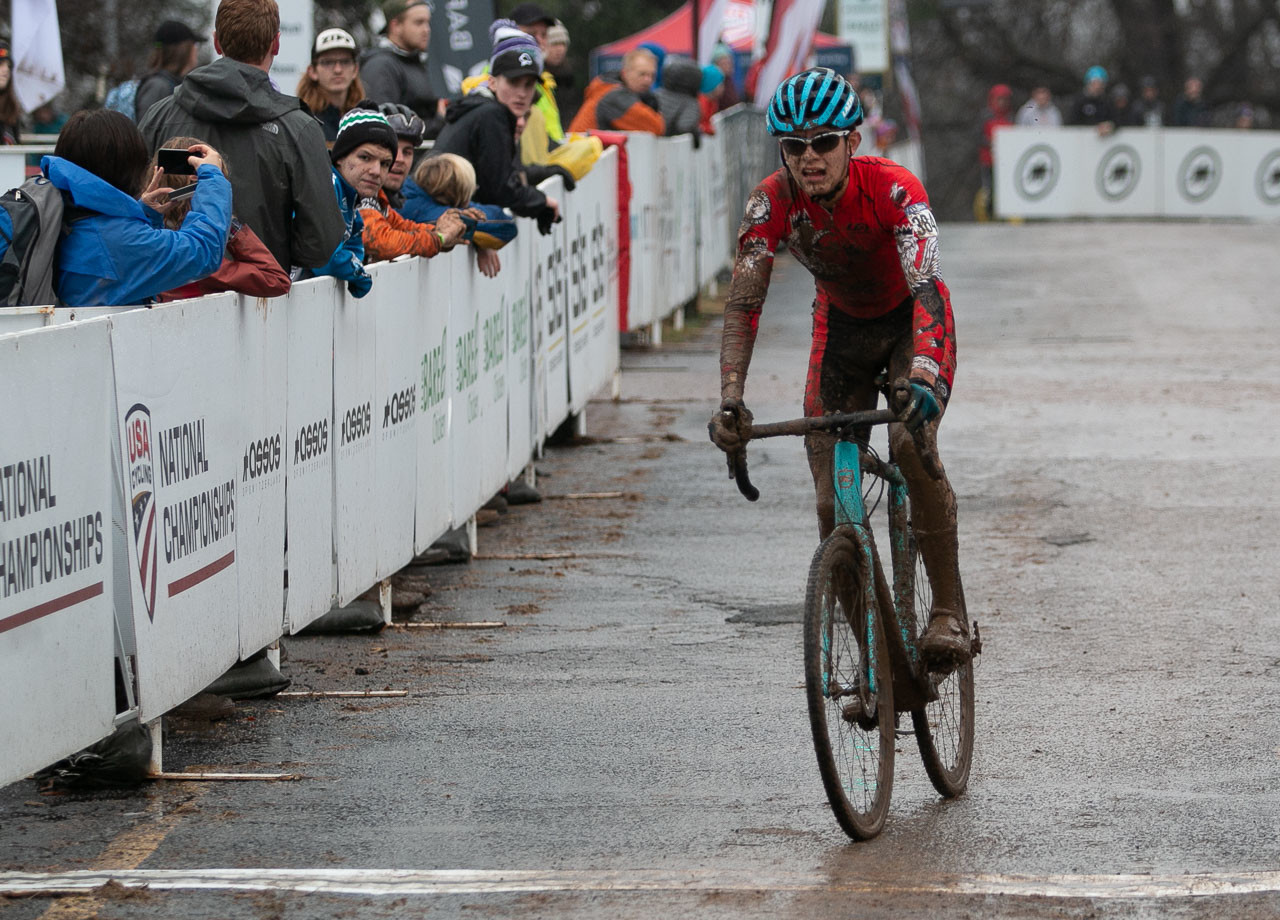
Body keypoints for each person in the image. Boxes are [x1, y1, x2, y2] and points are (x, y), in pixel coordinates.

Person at [707, 69, 969, 669]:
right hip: (842, 332)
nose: (808, 158)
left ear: (853, 141)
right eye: (794, 146)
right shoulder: (769, 201)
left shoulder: (897, 189)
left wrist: (926, 373)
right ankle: (875, 665)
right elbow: (745, 303)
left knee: (908, 443)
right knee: (830, 504)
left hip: (910, 324)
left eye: (824, 142)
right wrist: (730, 397)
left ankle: (948, 610)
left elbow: (927, 287)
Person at [139, 0, 346, 275]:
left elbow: (129, 210)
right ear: (276, 44)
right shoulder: (298, 128)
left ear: (216, 42)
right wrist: (274, 255)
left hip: (170, 294)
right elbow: (321, 242)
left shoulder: (159, 116)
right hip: (262, 297)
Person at [42, 110, 231, 306]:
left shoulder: (63, 210)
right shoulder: (117, 239)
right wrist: (212, 176)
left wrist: (144, 215)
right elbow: (203, 251)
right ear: (127, 165)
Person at [432, 30, 561, 234]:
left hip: (441, 211)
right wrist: (541, 201)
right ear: (492, 82)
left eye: (528, 85)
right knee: (504, 227)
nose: (521, 93)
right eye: (513, 82)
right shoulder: (491, 114)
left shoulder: (487, 110)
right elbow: (500, 190)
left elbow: (492, 185)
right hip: (434, 212)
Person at [150, 134, 291, 302]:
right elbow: (275, 279)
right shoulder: (196, 257)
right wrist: (227, 222)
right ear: (196, 178)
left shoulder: (144, 234)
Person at [355, 102, 470, 266]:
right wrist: (439, 238)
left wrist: (439, 230)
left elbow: (403, 228)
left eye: (407, 152)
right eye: (392, 150)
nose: (399, 159)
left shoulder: (380, 199)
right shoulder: (359, 192)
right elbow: (381, 241)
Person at [300, 109, 398, 296]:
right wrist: (359, 275)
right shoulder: (327, 184)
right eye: (365, 158)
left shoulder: (350, 197)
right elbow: (324, 258)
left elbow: (354, 246)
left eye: (385, 163)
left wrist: (353, 267)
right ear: (340, 158)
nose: (376, 171)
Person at [359, 0, 445, 138]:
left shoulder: (415, 61)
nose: (426, 30)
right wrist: (440, 120)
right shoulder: (381, 66)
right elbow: (383, 126)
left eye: (428, 22)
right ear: (395, 26)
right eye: (419, 22)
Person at [568, 48, 665, 134]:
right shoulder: (615, 96)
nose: (648, 80)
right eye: (642, 74)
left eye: (652, 75)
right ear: (625, 73)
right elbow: (656, 127)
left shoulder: (606, 89)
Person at [296, 29, 366, 142]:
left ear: (355, 70)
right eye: (328, 62)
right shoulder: (302, 122)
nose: (338, 70)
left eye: (345, 62)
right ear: (312, 71)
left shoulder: (365, 119)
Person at [134, 21, 206, 123]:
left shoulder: (169, 83)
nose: (196, 50)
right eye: (195, 44)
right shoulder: (158, 86)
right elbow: (147, 130)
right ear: (184, 49)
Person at [977, 84, 1013, 221]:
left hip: (1006, 160)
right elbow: (978, 136)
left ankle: (1005, 216)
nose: (1002, 103)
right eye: (999, 99)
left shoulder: (1010, 117)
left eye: (1005, 99)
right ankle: (988, 215)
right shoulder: (986, 116)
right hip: (988, 160)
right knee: (989, 189)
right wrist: (990, 142)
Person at [655, 55, 704, 143]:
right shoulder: (690, 103)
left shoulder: (656, 94)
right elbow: (685, 126)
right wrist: (696, 133)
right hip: (671, 149)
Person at [544, 21, 579, 127]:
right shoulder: (536, 77)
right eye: (554, 44)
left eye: (563, 44)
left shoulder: (570, 74)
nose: (560, 49)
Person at [1070, 66, 1115, 135]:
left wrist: (1110, 125)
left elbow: (1116, 119)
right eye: (1094, 83)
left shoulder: (1108, 102)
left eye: (1100, 84)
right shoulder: (1079, 101)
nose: (1097, 87)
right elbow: (1071, 122)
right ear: (1088, 84)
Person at [0, 42, 21, 144]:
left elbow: (15, 145)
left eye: (8, 66)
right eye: (1, 64)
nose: (6, 70)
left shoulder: (11, 106)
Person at [711, 43, 740, 111]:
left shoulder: (728, 80)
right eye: (724, 63)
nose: (728, 66)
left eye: (729, 63)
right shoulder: (715, 83)